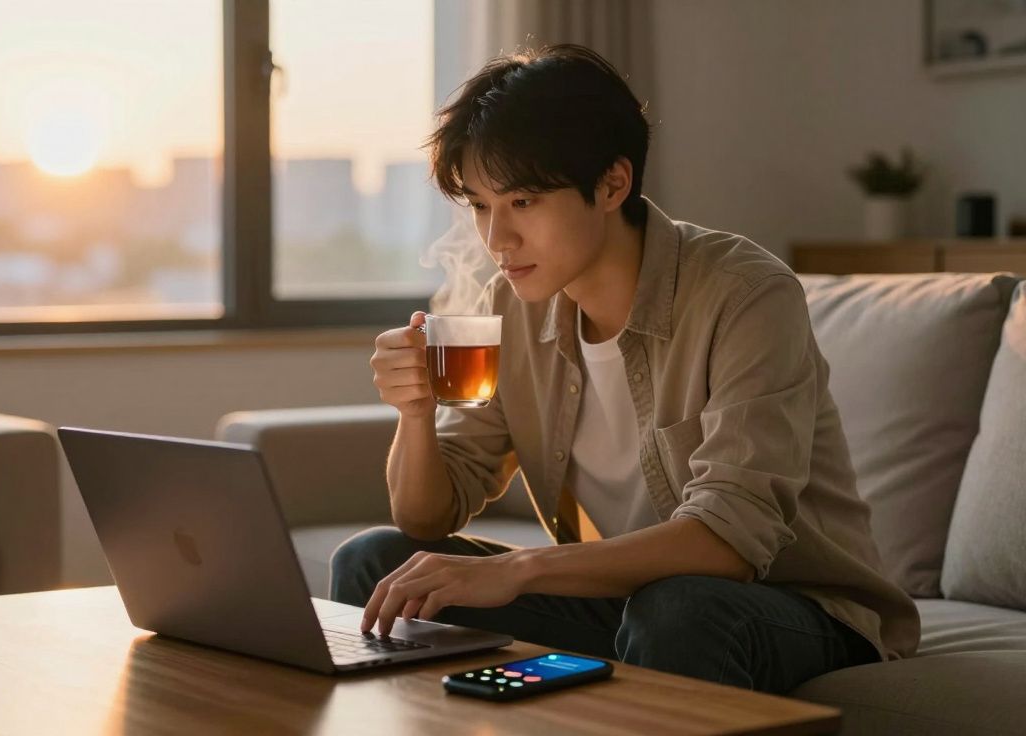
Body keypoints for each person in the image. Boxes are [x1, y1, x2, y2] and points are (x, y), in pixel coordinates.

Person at [335, 43, 919, 695]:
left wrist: (519, 570)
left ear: (613, 184)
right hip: (627, 601)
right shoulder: (512, 306)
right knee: (374, 563)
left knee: (679, 609)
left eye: (523, 202)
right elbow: (427, 517)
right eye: (478, 205)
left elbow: (728, 542)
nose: (496, 239)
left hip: (792, 607)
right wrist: (414, 414)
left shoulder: (744, 294)